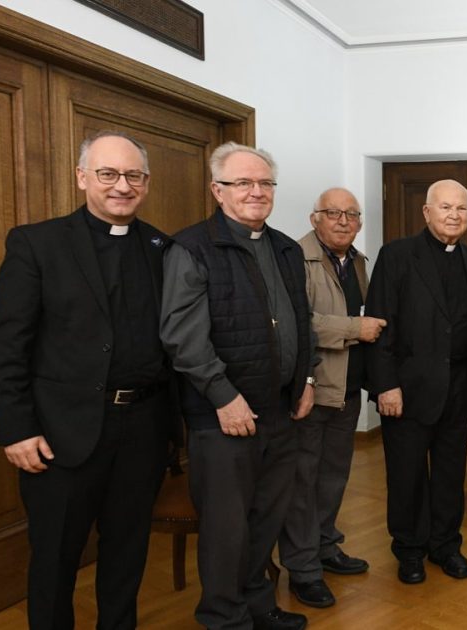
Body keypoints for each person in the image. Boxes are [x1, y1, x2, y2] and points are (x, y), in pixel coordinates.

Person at [0, 130, 174, 630]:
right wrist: (15, 428)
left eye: (133, 175)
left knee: (128, 552)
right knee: (54, 559)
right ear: (81, 178)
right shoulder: (37, 243)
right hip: (59, 432)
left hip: (143, 429)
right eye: (108, 174)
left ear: (146, 182)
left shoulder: (162, 247)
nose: (121, 186)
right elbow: (7, 345)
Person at [161, 142, 315, 630]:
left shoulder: (286, 248)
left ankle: (258, 606)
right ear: (217, 190)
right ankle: (223, 618)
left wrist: (305, 379)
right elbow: (182, 337)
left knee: (266, 518)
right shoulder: (191, 248)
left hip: (279, 411)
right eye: (242, 183)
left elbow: (301, 322)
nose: (256, 192)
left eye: (265, 183)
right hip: (223, 416)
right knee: (227, 529)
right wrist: (224, 397)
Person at [366, 179, 467, 585]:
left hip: (458, 387)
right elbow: (381, 325)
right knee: (407, 474)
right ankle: (410, 550)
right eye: (445, 207)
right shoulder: (397, 256)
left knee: (451, 474)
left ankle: (446, 546)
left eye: (461, 209)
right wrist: (385, 385)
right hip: (407, 388)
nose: (454, 215)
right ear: (427, 212)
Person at [277, 187, 384, 608]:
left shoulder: (357, 261)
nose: (343, 221)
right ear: (313, 218)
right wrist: (355, 330)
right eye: (333, 213)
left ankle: (325, 546)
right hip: (310, 389)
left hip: (346, 390)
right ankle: (303, 569)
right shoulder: (293, 257)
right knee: (302, 481)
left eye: (351, 214)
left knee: (333, 476)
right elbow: (297, 320)